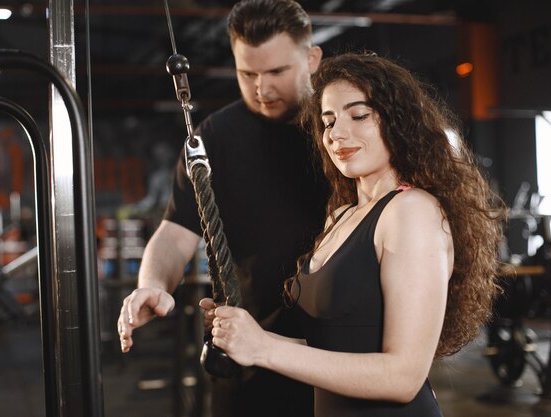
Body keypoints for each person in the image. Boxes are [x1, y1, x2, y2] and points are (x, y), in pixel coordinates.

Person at [205, 52, 505, 417]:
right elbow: (334, 345)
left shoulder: (411, 212)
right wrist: (249, 337)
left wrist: (264, 349)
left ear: (398, 122)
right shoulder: (341, 216)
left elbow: (403, 377)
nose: (337, 134)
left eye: (358, 115)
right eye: (328, 122)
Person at [117, 1, 328, 416]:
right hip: (247, 354)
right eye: (247, 74)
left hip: (333, 354)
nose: (261, 89)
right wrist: (154, 284)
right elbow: (176, 232)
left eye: (277, 73)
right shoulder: (215, 137)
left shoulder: (342, 131)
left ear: (312, 58)